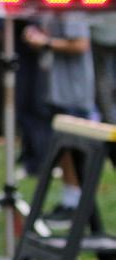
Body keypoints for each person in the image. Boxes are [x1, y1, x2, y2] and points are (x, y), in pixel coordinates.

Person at [23, 12, 95, 226]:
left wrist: (45, 42)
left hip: (73, 93)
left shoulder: (71, 12)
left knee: (76, 151)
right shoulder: (50, 11)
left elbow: (81, 44)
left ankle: (79, 206)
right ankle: (70, 200)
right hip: (55, 93)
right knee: (64, 150)